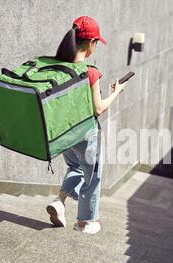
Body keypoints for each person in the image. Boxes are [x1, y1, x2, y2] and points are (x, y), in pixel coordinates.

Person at [45, 16, 127, 235]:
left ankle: (60, 201)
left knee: (75, 167)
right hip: (84, 134)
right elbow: (98, 109)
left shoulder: (58, 66)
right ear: (91, 43)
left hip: (63, 135)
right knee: (92, 177)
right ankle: (85, 222)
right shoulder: (90, 71)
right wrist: (116, 92)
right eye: (96, 42)